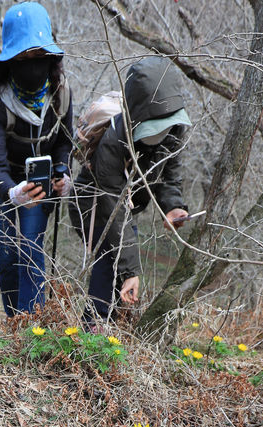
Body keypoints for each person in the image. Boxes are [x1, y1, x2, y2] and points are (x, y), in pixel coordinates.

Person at [70, 56, 192, 324]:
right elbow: (112, 207)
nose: (161, 132)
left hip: (126, 206)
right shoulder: (114, 141)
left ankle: (106, 327)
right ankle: (93, 330)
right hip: (93, 203)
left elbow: (169, 171)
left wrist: (172, 206)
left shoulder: (174, 127)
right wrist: (131, 271)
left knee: (121, 263)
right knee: (110, 259)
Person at [0, 1, 73, 317]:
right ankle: (13, 321)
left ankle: (31, 324)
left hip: (38, 178)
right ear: (9, 61)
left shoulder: (60, 91)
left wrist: (62, 170)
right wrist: (10, 191)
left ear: (50, 57)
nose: (31, 65)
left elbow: (64, 141)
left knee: (31, 248)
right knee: (6, 251)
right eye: (22, 57)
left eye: (38, 56)